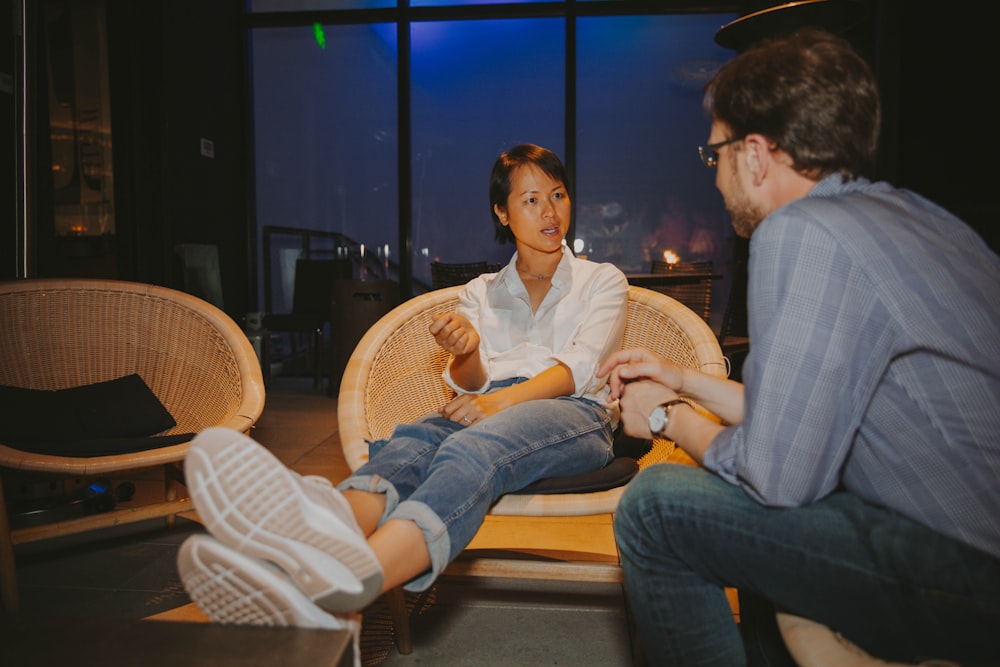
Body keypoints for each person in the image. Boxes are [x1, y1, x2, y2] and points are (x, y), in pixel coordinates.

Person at [598, 28, 1000, 667]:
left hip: (970, 572)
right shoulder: (919, 218)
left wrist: (662, 416)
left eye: (716, 157)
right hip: (968, 542)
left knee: (656, 509)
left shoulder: (802, 231)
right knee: (755, 529)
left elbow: (776, 478)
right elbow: (800, 414)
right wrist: (682, 378)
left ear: (754, 155)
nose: (717, 178)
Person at [177, 144, 629, 636]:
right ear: (502, 211)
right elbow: (471, 379)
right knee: (409, 442)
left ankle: (347, 580)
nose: (550, 211)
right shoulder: (481, 291)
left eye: (558, 195)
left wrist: (496, 402)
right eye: (532, 199)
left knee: (472, 448)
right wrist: (469, 350)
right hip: (485, 401)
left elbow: (580, 368)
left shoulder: (601, 281)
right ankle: (309, 548)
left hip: (574, 413)